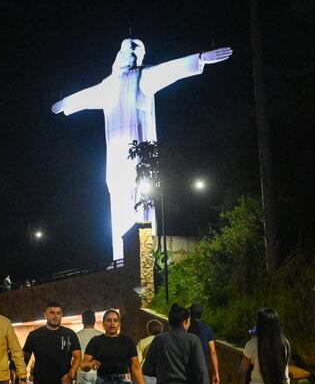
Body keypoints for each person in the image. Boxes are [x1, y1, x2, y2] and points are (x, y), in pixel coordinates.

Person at [51, 39, 232, 260]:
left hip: (141, 156)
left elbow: (171, 70)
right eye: (127, 50)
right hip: (117, 159)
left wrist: (199, 59)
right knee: (118, 205)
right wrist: (67, 103)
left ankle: (144, 259)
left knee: (143, 201)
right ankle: (121, 259)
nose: (131, 55)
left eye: (136, 53)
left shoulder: (142, 76)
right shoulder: (108, 85)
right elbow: (86, 96)